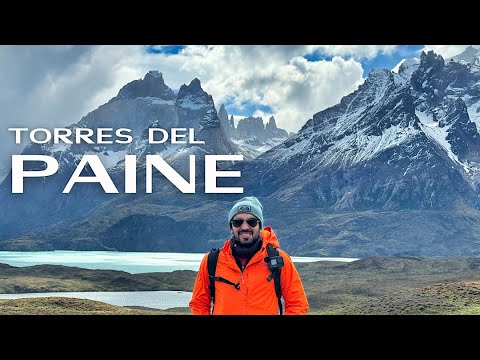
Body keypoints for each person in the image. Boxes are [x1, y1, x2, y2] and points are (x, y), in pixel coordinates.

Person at [189, 196, 309, 315]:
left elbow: (297, 304)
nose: (245, 227)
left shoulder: (279, 259)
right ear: (231, 227)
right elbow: (199, 303)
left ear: (259, 226)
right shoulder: (212, 261)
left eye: (251, 222)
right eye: (237, 222)